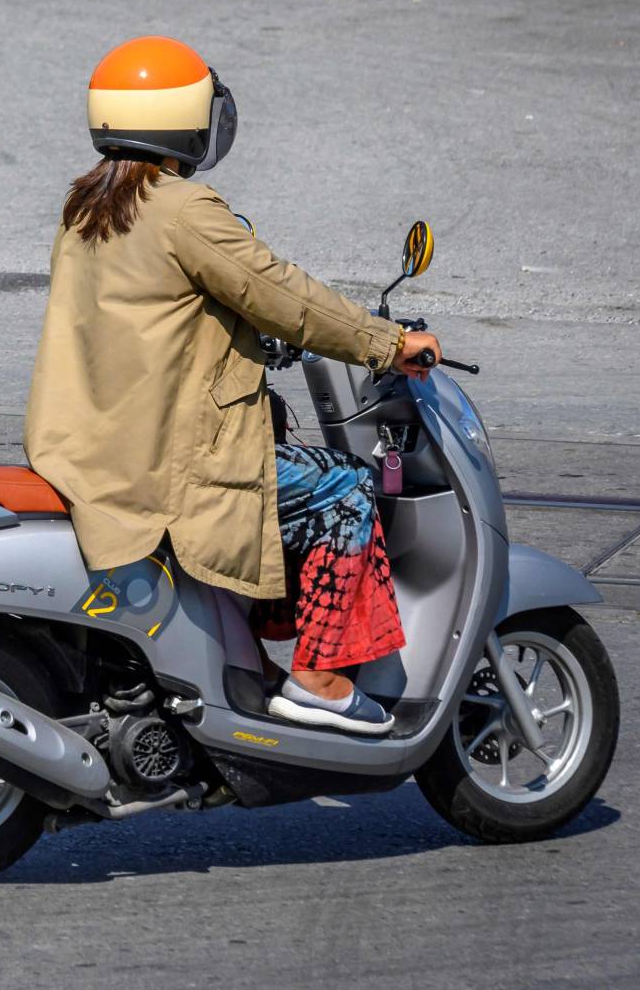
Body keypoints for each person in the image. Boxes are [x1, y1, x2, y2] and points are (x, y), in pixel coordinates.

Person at [23, 36, 442, 735]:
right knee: (343, 485)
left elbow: (153, 315)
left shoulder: (88, 208)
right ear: (188, 120)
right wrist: (389, 343)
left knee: (279, 460)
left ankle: (241, 660)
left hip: (89, 445)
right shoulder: (183, 208)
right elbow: (280, 293)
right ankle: (320, 678)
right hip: (165, 461)